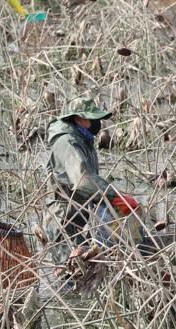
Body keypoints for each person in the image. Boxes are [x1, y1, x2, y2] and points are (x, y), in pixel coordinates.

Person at [44, 97, 140, 264]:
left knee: (87, 266)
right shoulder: (67, 142)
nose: (96, 123)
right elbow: (83, 180)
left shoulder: (82, 140)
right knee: (70, 272)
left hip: (79, 215)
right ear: (77, 119)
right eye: (91, 119)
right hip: (63, 219)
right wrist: (114, 195)